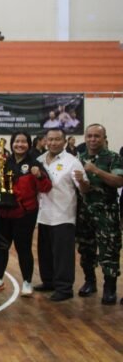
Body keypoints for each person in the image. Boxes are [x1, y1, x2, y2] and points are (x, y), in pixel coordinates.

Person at [0, 132, 52, 296]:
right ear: (12, 144)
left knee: (24, 249)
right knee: (1, 247)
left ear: (29, 144)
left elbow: (46, 187)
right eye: (16, 141)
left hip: (25, 214)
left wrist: (39, 175)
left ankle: (27, 282)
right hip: (3, 212)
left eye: (23, 142)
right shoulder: (2, 163)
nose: (19, 145)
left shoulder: (35, 164)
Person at [35, 128, 89, 301]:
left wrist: (81, 181)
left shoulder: (72, 162)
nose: (53, 142)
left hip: (63, 215)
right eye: (50, 139)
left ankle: (64, 288)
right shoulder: (39, 160)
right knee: (45, 253)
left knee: (63, 256)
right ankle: (48, 282)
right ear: (45, 141)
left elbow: (84, 189)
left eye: (57, 139)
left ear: (65, 141)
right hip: (43, 215)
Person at [76, 124, 123, 305]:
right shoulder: (79, 158)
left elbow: (118, 181)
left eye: (97, 136)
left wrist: (96, 170)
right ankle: (90, 282)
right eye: (89, 136)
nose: (93, 139)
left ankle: (110, 288)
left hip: (107, 213)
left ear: (104, 138)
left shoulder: (113, 158)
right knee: (86, 249)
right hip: (84, 212)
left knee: (109, 250)